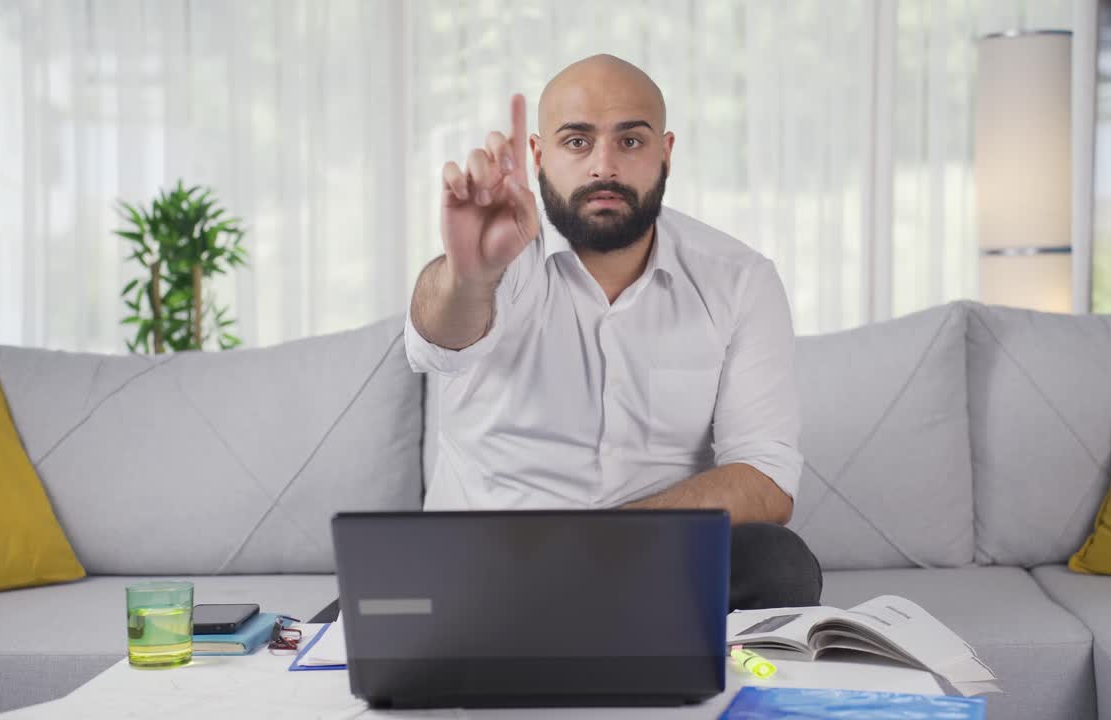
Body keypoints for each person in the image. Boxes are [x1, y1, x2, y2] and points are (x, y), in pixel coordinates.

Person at [310, 55, 819, 624]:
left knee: (780, 563)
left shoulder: (739, 279)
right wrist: (468, 274)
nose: (604, 166)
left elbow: (766, 480)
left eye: (630, 141)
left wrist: (583, 549)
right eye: (577, 141)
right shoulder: (506, 254)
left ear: (666, 152)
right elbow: (437, 338)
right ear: (537, 155)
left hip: (643, 566)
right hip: (478, 572)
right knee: (320, 660)